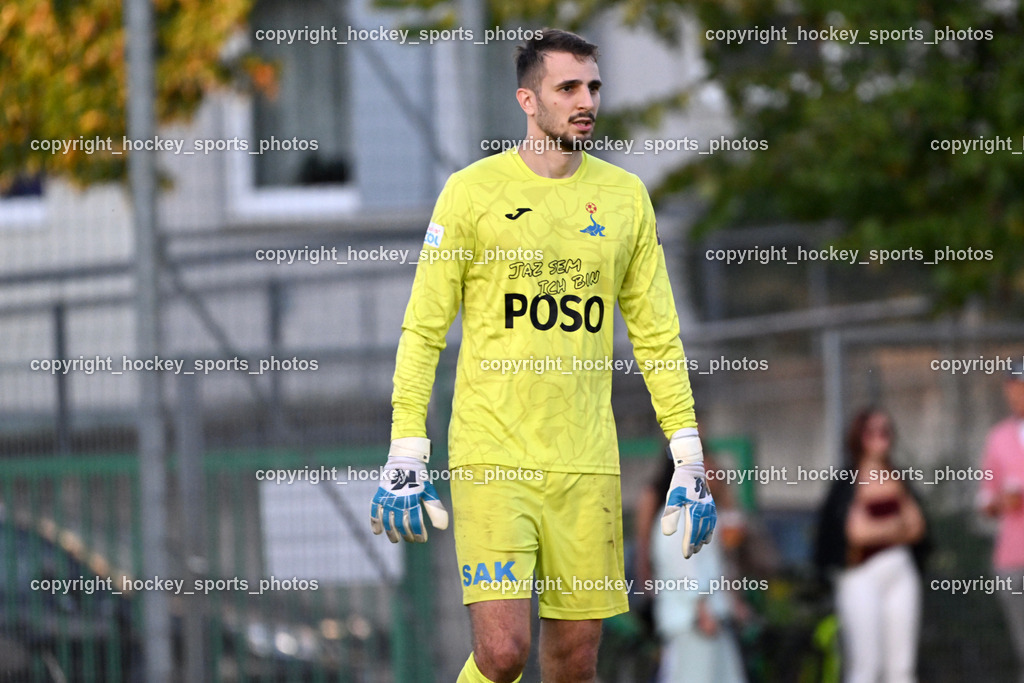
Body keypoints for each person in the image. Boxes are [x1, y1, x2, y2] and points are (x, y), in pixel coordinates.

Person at [368, 29, 716, 683]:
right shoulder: (470, 194)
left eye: (593, 87)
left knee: (576, 654)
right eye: (568, 88)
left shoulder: (624, 198)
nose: (586, 101)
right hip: (491, 455)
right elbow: (422, 329)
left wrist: (688, 456)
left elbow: (657, 336)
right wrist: (406, 447)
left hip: (584, 461)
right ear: (528, 100)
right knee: (503, 651)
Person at [814, 408, 927, 683]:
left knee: (901, 666)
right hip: (861, 574)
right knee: (866, 664)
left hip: (899, 571)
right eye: (872, 432)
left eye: (885, 431)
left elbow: (918, 527)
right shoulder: (848, 481)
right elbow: (855, 534)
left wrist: (881, 530)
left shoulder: (898, 478)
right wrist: (895, 527)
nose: (880, 438)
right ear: (858, 437)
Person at [636, 453, 749, 683]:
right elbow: (683, 566)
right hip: (692, 623)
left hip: (711, 620)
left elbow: (721, 558)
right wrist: (701, 611)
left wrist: (731, 603)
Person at [978, 360, 1024, 682]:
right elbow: (985, 497)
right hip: (1011, 556)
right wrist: (998, 503)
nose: (1015, 395)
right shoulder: (998, 437)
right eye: (1011, 388)